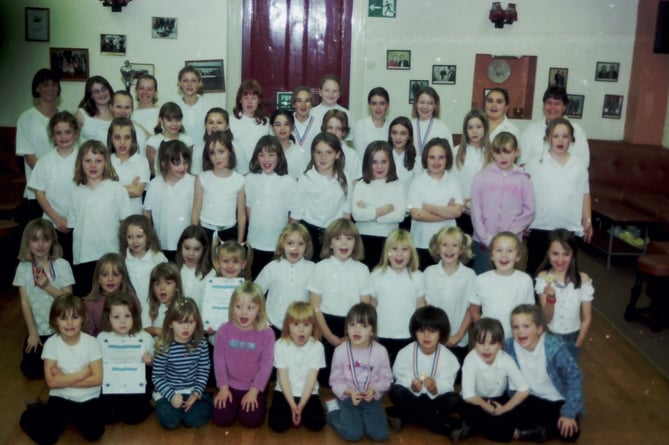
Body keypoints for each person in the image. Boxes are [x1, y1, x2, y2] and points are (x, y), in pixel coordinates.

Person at [19, 294, 105, 444]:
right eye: (63, 318)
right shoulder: (51, 344)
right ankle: (35, 410)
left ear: (83, 318)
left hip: (87, 397)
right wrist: (83, 373)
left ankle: (68, 416)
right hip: (61, 396)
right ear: (55, 321)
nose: (70, 323)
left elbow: (97, 379)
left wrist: (63, 379)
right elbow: (52, 383)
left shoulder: (91, 342)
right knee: (47, 437)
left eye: (75, 317)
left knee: (94, 434)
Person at [505, 304, 584, 442]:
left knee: (570, 432)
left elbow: (574, 377)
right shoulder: (509, 346)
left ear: (539, 329)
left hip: (555, 400)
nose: (520, 332)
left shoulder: (553, 347)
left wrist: (569, 412)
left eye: (526, 326)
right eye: (515, 327)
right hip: (527, 398)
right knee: (502, 412)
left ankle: (530, 433)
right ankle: (538, 431)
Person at [524, 118, 592, 275]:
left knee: (564, 272)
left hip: (568, 227)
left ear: (571, 139)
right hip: (540, 226)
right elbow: (524, 194)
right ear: (548, 139)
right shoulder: (534, 164)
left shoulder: (579, 165)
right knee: (536, 269)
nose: (560, 140)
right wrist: (523, 220)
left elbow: (585, 192)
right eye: (556, 136)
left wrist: (587, 219)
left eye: (565, 136)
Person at [308, 219, 372, 385]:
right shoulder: (320, 268)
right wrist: (329, 336)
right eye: (338, 238)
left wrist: (351, 336)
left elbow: (364, 308)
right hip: (324, 325)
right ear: (330, 243)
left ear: (355, 243)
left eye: (349, 239)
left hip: (353, 326)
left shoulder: (362, 270)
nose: (344, 243)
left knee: (350, 378)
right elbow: (315, 307)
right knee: (324, 379)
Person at [387, 306, 464, 440]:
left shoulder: (449, 358)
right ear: (414, 332)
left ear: (441, 333)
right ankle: (443, 425)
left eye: (432, 331)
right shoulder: (405, 352)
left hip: (434, 401)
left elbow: (448, 385)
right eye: (422, 331)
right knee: (396, 391)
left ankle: (403, 416)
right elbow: (399, 376)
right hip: (412, 397)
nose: (426, 336)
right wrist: (411, 384)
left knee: (454, 400)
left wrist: (435, 388)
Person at [68, 140, 132, 296]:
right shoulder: (75, 192)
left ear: (106, 163)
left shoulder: (117, 189)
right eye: (88, 160)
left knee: (113, 301)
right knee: (88, 301)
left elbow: (126, 225)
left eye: (98, 161)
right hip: (84, 255)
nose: (93, 165)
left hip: (110, 254)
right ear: (80, 163)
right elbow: (72, 225)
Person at [14, 219, 74, 379]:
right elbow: (25, 303)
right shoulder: (23, 267)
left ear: (52, 241)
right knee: (31, 371)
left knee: (66, 369)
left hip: (62, 330)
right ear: (27, 242)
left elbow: (69, 299)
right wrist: (33, 333)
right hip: (39, 331)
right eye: (35, 240)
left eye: (45, 239)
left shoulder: (62, 265)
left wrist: (47, 286)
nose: (40, 244)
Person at [470, 132, 534, 274]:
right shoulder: (481, 176)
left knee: (509, 281)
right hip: (484, 242)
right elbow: (475, 210)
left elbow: (529, 211)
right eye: (498, 152)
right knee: (482, 280)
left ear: (517, 152)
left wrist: (510, 235)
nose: (502, 157)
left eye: (507, 152)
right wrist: (485, 237)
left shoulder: (523, 179)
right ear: (492, 152)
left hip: (511, 244)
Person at [212, 281, 275, 428]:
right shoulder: (223, 330)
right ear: (232, 307)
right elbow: (219, 361)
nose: (244, 312)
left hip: (253, 385)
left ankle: (261, 399)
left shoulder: (267, 333)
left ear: (259, 309)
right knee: (221, 419)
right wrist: (223, 387)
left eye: (250, 308)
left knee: (251, 421)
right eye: (238, 307)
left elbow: (266, 366)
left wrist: (254, 391)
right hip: (230, 384)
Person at [327, 303, 392, 442]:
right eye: (352, 324)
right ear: (347, 328)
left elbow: (387, 379)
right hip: (347, 397)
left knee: (380, 434)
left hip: (371, 398)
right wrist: (349, 392)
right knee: (353, 434)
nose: (357, 330)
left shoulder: (381, 351)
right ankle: (333, 410)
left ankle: (360, 417)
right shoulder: (340, 351)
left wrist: (374, 390)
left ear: (372, 331)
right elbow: (335, 380)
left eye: (363, 326)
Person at [461, 318, 530, 442]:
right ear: (474, 342)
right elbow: (468, 395)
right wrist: (488, 408)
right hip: (477, 401)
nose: (486, 348)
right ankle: (506, 430)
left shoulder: (506, 359)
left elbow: (524, 390)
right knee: (470, 413)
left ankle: (480, 428)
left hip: (499, 399)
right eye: (481, 343)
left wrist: (504, 409)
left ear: (500, 344)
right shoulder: (470, 359)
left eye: (492, 343)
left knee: (525, 408)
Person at [152, 297, 212, 429]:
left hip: (191, 390)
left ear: (197, 322)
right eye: (180, 322)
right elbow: (157, 377)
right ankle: (174, 410)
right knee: (170, 421)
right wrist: (172, 396)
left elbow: (203, 369)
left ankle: (200, 403)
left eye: (190, 322)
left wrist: (196, 393)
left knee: (193, 420)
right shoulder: (164, 346)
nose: (186, 327)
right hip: (168, 392)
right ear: (170, 324)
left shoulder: (201, 342)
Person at [291, 132, 352, 260]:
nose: (323, 157)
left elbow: (347, 214)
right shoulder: (306, 178)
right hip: (309, 233)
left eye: (329, 152)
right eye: (318, 152)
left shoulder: (345, 179)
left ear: (337, 154)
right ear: (313, 154)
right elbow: (296, 214)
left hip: (335, 235)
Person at [28, 111, 79, 263]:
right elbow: (39, 193)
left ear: (75, 133)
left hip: (80, 223)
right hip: (52, 224)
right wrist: (56, 218)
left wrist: (74, 220)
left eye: (68, 132)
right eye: (58, 133)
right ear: (52, 135)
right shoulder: (45, 162)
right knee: (55, 264)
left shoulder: (83, 159)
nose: (63, 137)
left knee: (77, 267)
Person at [535, 229, 593, 360]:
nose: (560, 259)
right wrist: (551, 299)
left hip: (573, 337)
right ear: (547, 254)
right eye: (555, 254)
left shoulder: (583, 280)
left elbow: (586, 318)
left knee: (568, 377)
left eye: (566, 254)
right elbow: (546, 319)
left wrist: (577, 344)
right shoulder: (543, 278)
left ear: (573, 255)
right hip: (549, 335)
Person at [268, 301, 326, 432]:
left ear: (313, 326)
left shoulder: (317, 347)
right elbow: (283, 378)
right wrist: (293, 405)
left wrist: (301, 405)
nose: (301, 330)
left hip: (308, 393)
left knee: (317, 424)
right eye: (296, 324)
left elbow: (311, 379)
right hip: (284, 391)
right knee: (277, 425)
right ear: (287, 326)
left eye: (306, 325)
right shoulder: (280, 345)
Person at [97, 292, 153, 425]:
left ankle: (147, 405)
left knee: (132, 418)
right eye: (116, 317)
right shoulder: (102, 338)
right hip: (112, 385)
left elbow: (155, 366)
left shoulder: (144, 337)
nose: (122, 321)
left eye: (127, 316)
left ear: (134, 316)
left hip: (136, 386)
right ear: (108, 318)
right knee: (108, 417)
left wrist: (150, 361)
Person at [371, 229, 425, 364]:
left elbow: (420, 308)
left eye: (405, 249)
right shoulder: (376, 276)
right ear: (387, 252)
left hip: (408, 336)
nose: (399, 254)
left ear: (411, 252)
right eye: (394, 248)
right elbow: (371, 307)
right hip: (381, 335)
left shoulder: (418, 276)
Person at [408, 137, 463, 269]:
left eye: (441, 157)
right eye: (432, 157)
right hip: (421, 242)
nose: (436, 162)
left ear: (447, 159)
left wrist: (427, 207)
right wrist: (446, 212)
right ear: (426, 158)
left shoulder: (453, 182)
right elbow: (416, 214)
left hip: (448, 246)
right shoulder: (417, 182)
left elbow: (457, 212)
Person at [245, 135, 296, 277]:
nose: (266, 160)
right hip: (254, 243)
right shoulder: (250, 179)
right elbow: (248, 210)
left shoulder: (288, 182)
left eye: (271, 155)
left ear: (279, 157)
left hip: (278, 245)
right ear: (256, 157)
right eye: (261, 155)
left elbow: (292, 216)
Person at [424, 226, 475, 364]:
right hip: (433, 338)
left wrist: (458, 335)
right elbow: (426, 306)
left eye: (454, 245)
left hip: (458, 340)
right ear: (437, 248)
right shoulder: (429, 272)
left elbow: (472, 308)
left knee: (455, 380)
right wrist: (437, 334)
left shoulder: (469, 275)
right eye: (444, 245)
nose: (449, 249)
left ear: (462, 249)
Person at [470, 232, 535, 339]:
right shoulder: (480, 280)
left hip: (516, 339)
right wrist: (484, 332)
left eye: (510, 251)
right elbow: (474, 311)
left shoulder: (525, 280)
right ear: (491, 255)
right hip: (489, 338)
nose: (504, 255)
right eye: (499, 250)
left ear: (518, 256)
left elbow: (529, 313)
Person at [16, 69, 61, 222]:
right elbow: (28, 156)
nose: (50, 88)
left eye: (54, 84)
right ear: (37, 88)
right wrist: (50, 178)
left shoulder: (64, 116)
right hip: (38, 189)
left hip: (62, 189)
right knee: (39, 240)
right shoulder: (26, 118)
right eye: (45, 84)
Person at [255, 222, 316, 335]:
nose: (295, 248)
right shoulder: (272, 267)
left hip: (301, 328)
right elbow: (254, 294)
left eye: (300, 244)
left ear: (307, 246)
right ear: (282, 243)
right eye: (290, 243)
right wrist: (261, 320)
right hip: (273, 326)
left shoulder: (313, 269)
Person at [352, 141, 406, 268]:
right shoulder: (361, 185)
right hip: (363, 238)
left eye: (384, 162)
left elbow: (399, 216)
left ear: (391, 163)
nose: (379, 167)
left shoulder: (397, 186)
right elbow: (357, 215)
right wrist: (385, 209)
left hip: (389, 239)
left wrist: (369, 212)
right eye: (374, 162)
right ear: (367, 163)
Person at [192, 130, 246, 244]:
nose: (217, 157)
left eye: (221, 151)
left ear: (231, 151)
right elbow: (196, 210)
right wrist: (194, 237)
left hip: (229, 231)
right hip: (205, 230)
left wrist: (240, 243)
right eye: (212, 153)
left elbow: (241, 215)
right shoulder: (202, 178)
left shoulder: (239, 180)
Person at [143, 140, 194, 259]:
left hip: (186, 245)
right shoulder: (155, 184)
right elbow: (147, 213)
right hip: (162, 243)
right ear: (164, 164)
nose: (182, 167)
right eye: (176, 163)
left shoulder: (192, 182)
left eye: (185, 162)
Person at [519, 87, 590, 167]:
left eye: (557, 103)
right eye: (549, 103)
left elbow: (582, 163)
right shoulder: (530, 130)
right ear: (544, 105)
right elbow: (522, 162)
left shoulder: (577, 131)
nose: (552, 107)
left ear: (564, 107)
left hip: (566, 178)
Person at [84, 253, 141, 337]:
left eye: (115, 274)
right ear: (98, 278)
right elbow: (88, 335)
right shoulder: (89, 303)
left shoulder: (131, 298)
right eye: (104, 274)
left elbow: (137, 326)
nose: (110, 279)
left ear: (123, 278)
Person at [453, 109, 491, 235]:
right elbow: (450, 181)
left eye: (478, 127)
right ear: (465, 130)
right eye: (470, 127)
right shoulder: (456, 152)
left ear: (485, 128)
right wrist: (460, 202)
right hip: (461, 212)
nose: (474, 131)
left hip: (485, 214)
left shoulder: (492, 154)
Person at [120, 214, 168, 306]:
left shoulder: (157, 257)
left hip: (155, 308)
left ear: (148, 236)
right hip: (132, 310)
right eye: (130, 237)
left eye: (139, 236)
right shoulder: (123, 260)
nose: (134, 241)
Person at [107, 117, 151, 215]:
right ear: (111, 138)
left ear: (133, 139)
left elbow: (137, 191)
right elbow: (101, 191)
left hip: (133, 218)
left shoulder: (141, 161)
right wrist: (131, 186)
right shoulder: (105, 160)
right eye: (117, 137)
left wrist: (111, 188)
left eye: (127, 137)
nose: (122, 142)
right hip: (110, 217)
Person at [229, 79, 270, 175]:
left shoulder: (266, 122)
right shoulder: (230, 121)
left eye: (254, 98)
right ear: (240, 100)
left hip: (260, 171)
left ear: (259, 100)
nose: (249, 102)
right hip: (236, 171)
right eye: (246, 97)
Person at [145, 102, 193, 177]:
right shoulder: (153, 141)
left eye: (178, 120)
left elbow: (188, 166)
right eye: (169, 120)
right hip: (160, 181)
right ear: (161, 120)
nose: (174, 124)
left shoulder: (187, 140)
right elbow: (151, 169)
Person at [175, 225, 213, 309]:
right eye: (187, 248)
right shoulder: (174, 271)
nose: (191, 254)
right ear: (180, 246)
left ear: (204, 249)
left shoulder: (210, 274)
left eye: (196, 249)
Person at [142, 262, 183, 339]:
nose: (162, 288)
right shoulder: (149, 304)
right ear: (152, 288)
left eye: (168, 283)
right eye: (157, 284)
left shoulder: (182, 307)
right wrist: (157, 331)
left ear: (177, 286)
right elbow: (144, 328)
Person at [321, 108, 362, 180]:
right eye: (330, 128)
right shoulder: (318, 152)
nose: (333, 132)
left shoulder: (352, 155)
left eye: (338, 129)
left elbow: (356, 182)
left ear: (344, 132)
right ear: (324, 129)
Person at [411, 86, 454, 154]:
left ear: (435, 106)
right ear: (416, 104)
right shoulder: (409, 126)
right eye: (422, 102)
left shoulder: (443, 128)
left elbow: (449, 155)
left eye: (430, 103)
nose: (425, 107)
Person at [191, 107, 233, 175]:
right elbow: (195, 176)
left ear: (227, 126)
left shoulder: (236, 147)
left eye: (219, 123)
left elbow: (243, 175)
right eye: (211, 122)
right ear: (205, 125)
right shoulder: (198, 149)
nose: (214, 126)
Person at [352, 87, 391, 157]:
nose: (378, 107)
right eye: (374, 103)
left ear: (387, 105)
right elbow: (361, 154)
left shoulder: (392, 127)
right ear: (369, 105)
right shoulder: (360, 126)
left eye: (382, 103)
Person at [176, 65, 210, 145]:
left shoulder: (209, 108)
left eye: (193, 81)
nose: (189, 84)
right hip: (180, 155)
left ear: (200, 83)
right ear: (179, 83)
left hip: (204, 154)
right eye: (185, 80)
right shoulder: (173, 108)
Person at [75, 75, 114, 144]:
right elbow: (71, 139)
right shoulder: (81, 114)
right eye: (96, 92)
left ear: (109, 90)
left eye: (104, 89)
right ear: (91, 96)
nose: (101, 94)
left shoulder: (117, 113)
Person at [270, 108, 307, 180]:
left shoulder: (299, 153)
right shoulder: (266, 152)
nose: (282, 128)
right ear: (272, 127)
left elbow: (302, 180)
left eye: (286, 124)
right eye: (278, 125)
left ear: (292, 127)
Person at [388, 116, 419, 198]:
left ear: (409, 136)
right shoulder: (382, 157)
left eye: (403, 133)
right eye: (394, 133)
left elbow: (418, 190)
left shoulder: (417, 161)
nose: (398, 137)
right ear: (390, 135)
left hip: (407, 206)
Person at [110, 90, 148, 156]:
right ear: (111, 107)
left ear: (132, 109)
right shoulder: (101, 132)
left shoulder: (140, 133)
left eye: (127, 107)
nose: (123, 111)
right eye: (119, 107)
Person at [291, 86, 319, 154]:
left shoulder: (318, 124)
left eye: (307, 101)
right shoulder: (286, 122)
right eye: (299, 101)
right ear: (294, 104)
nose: (303, 105)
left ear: (312, 104)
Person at [131, 73, 160, 138]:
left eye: (149, 89)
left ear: (155, 92)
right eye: (141, 88)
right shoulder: (130, 114)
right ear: (136, 90)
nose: (145, 92)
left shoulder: (161, 114)